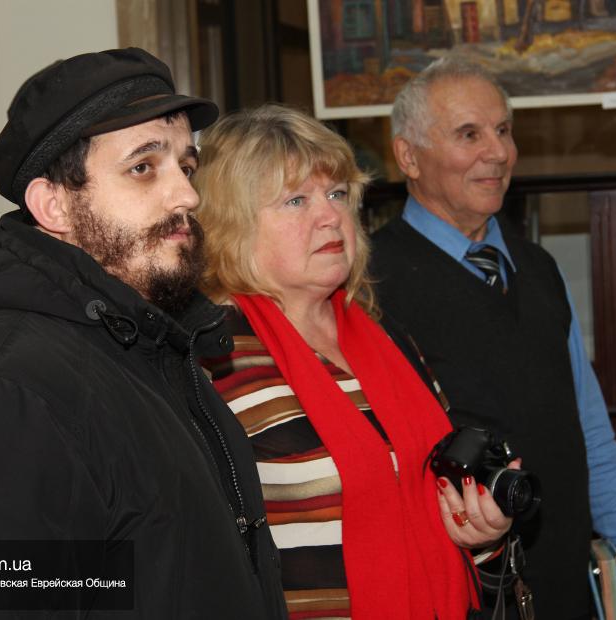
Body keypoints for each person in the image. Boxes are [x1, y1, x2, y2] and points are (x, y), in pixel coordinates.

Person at [0, 48, 286, 619]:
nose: (187, 195)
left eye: (186, 167)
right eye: (143, 167)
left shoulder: (147, 348)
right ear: (53, 205)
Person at [193, 104, 517, 620]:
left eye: (337, 194)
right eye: (296, 200)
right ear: (232, 224)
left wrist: (480, 533)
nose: (330, 217)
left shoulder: (387, 337)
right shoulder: (211, 357)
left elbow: (440, 500)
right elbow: (186, 553)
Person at [369, 56, 616, 620]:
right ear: (409, 156)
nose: (498, 152)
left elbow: (590, 433)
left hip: (568, 588)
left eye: (503, 130)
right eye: (469, 134)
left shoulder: (539, 269)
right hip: (456, 596)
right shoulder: (368, 285)